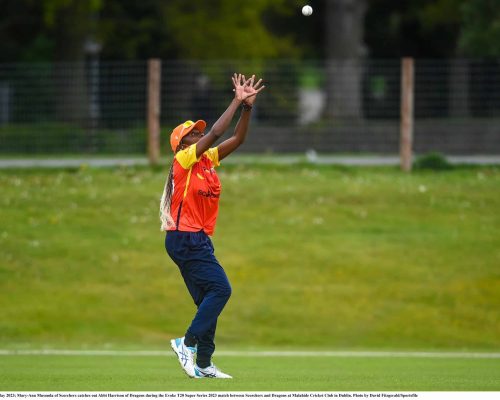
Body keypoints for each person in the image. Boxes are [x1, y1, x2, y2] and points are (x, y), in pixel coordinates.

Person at [159, 73, 265, 379]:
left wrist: (247, 109)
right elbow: (218, 132)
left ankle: (203, 363)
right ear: (182, 144)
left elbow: (238, 139)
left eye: (198, 134)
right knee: (221, 289)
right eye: (192, 134)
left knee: (209, 300)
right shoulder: (184, 159)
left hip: (197, 240)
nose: (198, 136)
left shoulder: (206, 162)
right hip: (184, 238)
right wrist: (236, 99)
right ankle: (186, 343)